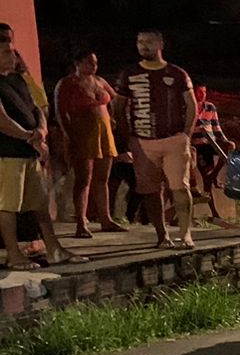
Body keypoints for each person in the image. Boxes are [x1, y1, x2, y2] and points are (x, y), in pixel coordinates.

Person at [0, 45, 85, 270]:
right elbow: (2, 120)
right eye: (6, 52)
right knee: (7, 206)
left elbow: (36, 108)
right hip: (7, 153)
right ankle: (13, 254)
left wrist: (41, 130)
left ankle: (54, 249)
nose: (13, 56)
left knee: (40, 204)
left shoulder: (17, 80)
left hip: (29, 152)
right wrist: (29, 136)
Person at [114, 29, 197, 249]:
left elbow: (191, 105)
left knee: (180, 187)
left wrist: (186, 134)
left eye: (149, 41)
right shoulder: (129, 74)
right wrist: (127, 137)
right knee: (149, 189)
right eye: (140, 41)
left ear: (161, 44)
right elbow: (118, 107)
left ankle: (185, 234)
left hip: (173, 139)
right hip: (142, 141)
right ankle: (162, 235)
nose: (144, 46)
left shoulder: (177, 73)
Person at [53, 49, 124, 239]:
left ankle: (106, 219)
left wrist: (113, 116)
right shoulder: (68, 83)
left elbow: (116, 99)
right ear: (77, 63)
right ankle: (81, 221)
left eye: (95, 63)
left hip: (104, 134)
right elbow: (60, 112)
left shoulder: (100, 81)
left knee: (102, 178)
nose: (93, 66)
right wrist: (69, 136)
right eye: (89, 62)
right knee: (83, 179)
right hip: (82, 134)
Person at [189, 84, 238, 227]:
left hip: (210, 143)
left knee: (229, 147)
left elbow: (217, 127)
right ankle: (213, 210)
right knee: (205, 177)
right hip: (196, 145)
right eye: (199, 92)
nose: (201, 95)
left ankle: (214, 175)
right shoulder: (188, 107)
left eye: (203, 92)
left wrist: (225, 140)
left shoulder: (210, 107)